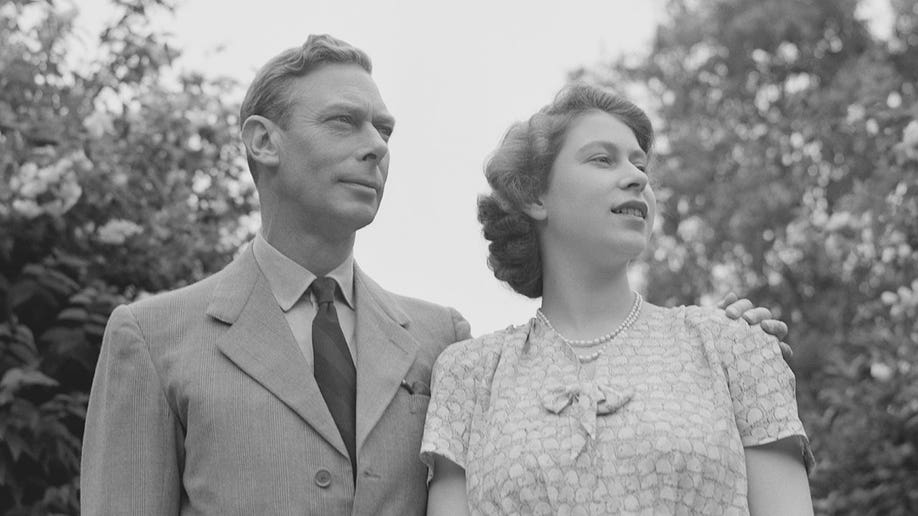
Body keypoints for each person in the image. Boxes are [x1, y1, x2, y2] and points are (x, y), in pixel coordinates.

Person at [80, 35, 790, 515]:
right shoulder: (153, 337)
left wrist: (722, 345)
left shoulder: (439, 341)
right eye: (344, 123)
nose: (374, 149)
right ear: (263, 142)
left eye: (383, 132)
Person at [421, 83, 814, 515]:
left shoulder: (736, 347)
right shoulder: (469, 376)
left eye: (640, 164)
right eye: (602, 159)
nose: (638, 177)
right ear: (534, 194)